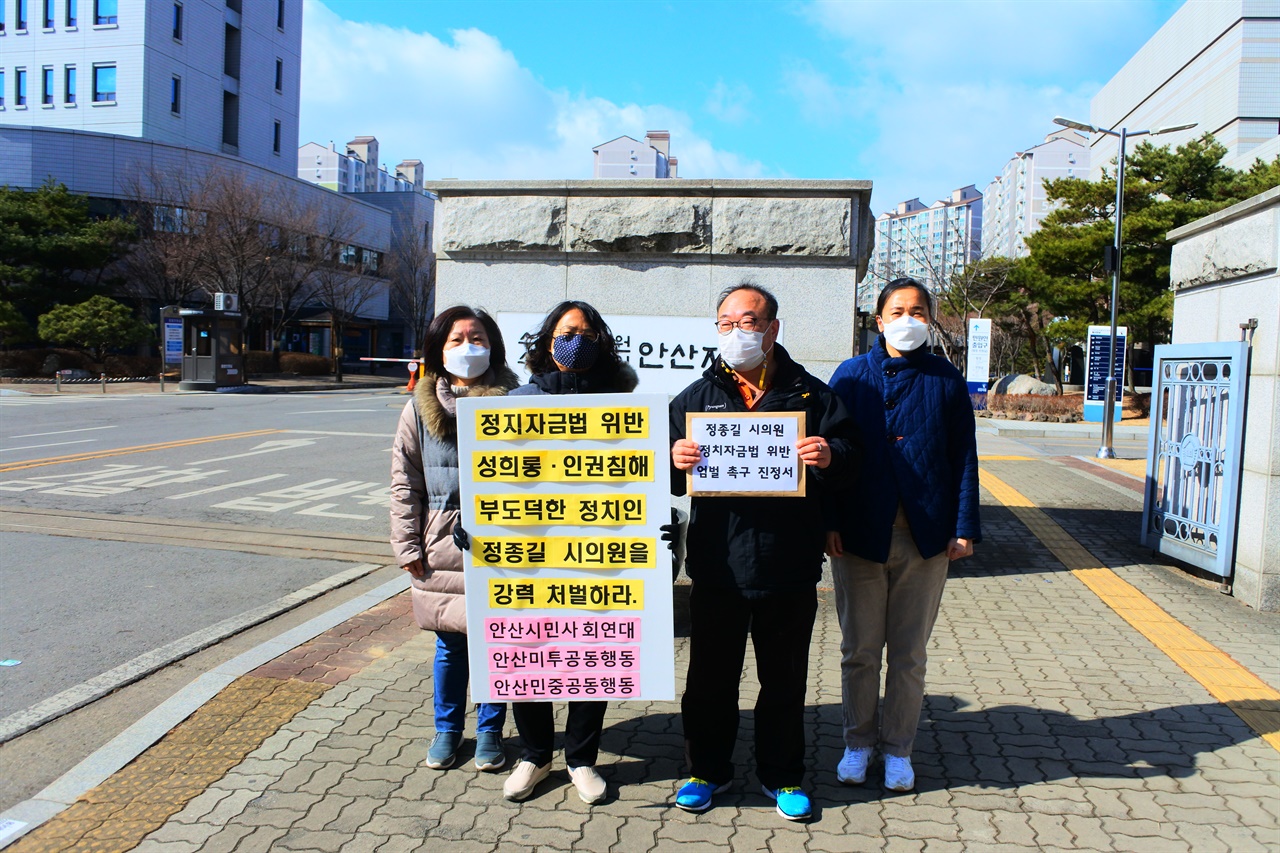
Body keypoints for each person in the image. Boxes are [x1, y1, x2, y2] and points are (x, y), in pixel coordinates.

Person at [668, 283, 860, 822]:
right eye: (725, 324)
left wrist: (829, 453)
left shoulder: (813, 396)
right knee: (710, 680)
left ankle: (783, 776)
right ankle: (706, 770)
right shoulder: (694, 399)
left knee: (784, 681)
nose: (735, 333)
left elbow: (853, 459)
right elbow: (652, 468)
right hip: (718, 566)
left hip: (789, 565)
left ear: (772, 329)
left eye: (746, 322)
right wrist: (673, 457)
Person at [824, 277, 981, 792]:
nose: (907, 319)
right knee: (860, 650)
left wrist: (963, 528)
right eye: (897, 310)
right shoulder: (849, 377)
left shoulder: (945, 378)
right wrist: (827, 522)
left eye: (917, 310)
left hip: (925, 536)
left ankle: (898, 749)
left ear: (931, 318)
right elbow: (828, 456)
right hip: (859, 535)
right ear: (878, 319)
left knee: (909, 654)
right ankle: (857, 742)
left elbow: (963, 458)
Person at [501, 300, 638, 805]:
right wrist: (478, 527)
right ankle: (535, 755)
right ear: (546, 341)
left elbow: (637, 482)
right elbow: (493, 475)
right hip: (530, 551)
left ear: (600, 341)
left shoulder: (624, 405)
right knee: (527, 653)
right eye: (563, 331)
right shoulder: (516, 401)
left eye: (583, 332)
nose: (573, 340)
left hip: (597, 551)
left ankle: (581, 759)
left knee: (591, 654)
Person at [390, 306, 520, 772]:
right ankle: (447, 730)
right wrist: (407, 546)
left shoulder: (520, 401)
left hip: (506, 541)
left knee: (497, 644)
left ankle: (489, 731)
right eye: (457, 339)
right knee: (450, 646)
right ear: (438, 350)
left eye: (478, 337)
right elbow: (405, 482)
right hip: (442, 542)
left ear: (494, 346)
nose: (468, 347)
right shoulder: (418, 408)